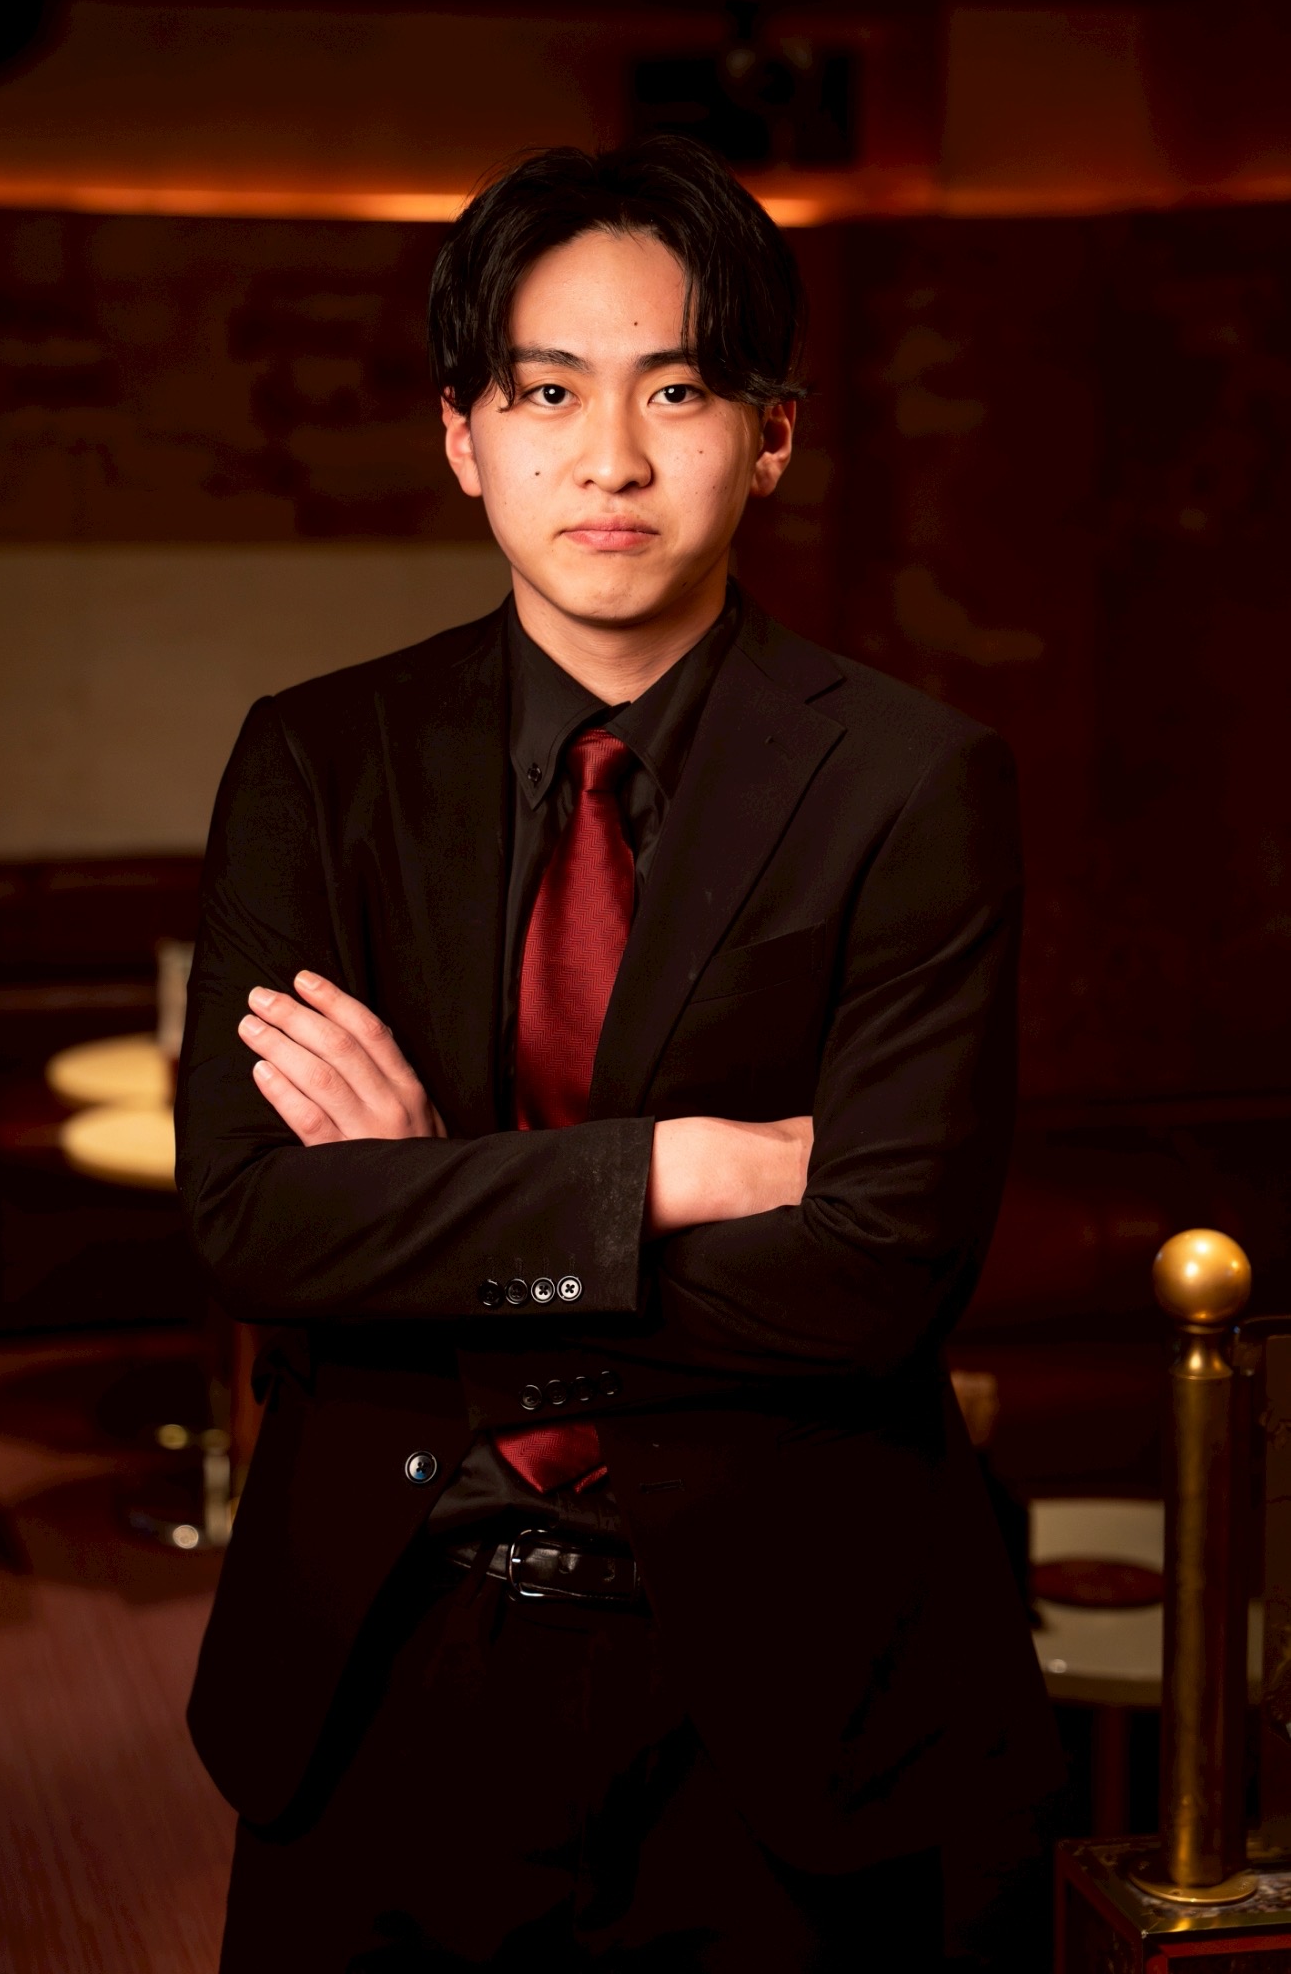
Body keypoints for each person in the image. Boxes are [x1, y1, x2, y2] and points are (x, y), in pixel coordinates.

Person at [175, 135, 1062, 1973]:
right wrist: (672, 1171)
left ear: (771, 434)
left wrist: (423, 1208)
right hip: (385, 1653)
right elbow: (252, 1226)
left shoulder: (912, 782)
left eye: (676, 391)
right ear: (461, 435)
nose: (610, 458)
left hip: (793, 1680)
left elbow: (877, 1279)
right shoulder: (319, 761)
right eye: (545, 392)